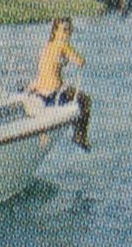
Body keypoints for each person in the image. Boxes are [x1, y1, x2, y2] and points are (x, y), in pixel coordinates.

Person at [29, 17, 91, 151]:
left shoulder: (47, 46)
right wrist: (69, 58)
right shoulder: (62, 45)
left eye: (69, 30)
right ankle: (80, 136)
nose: (66, 33)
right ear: (55, 31)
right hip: (55, 92)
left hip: (40, 91)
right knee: (85, 100)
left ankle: (46, 135)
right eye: (63, 30)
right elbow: (80, 62)